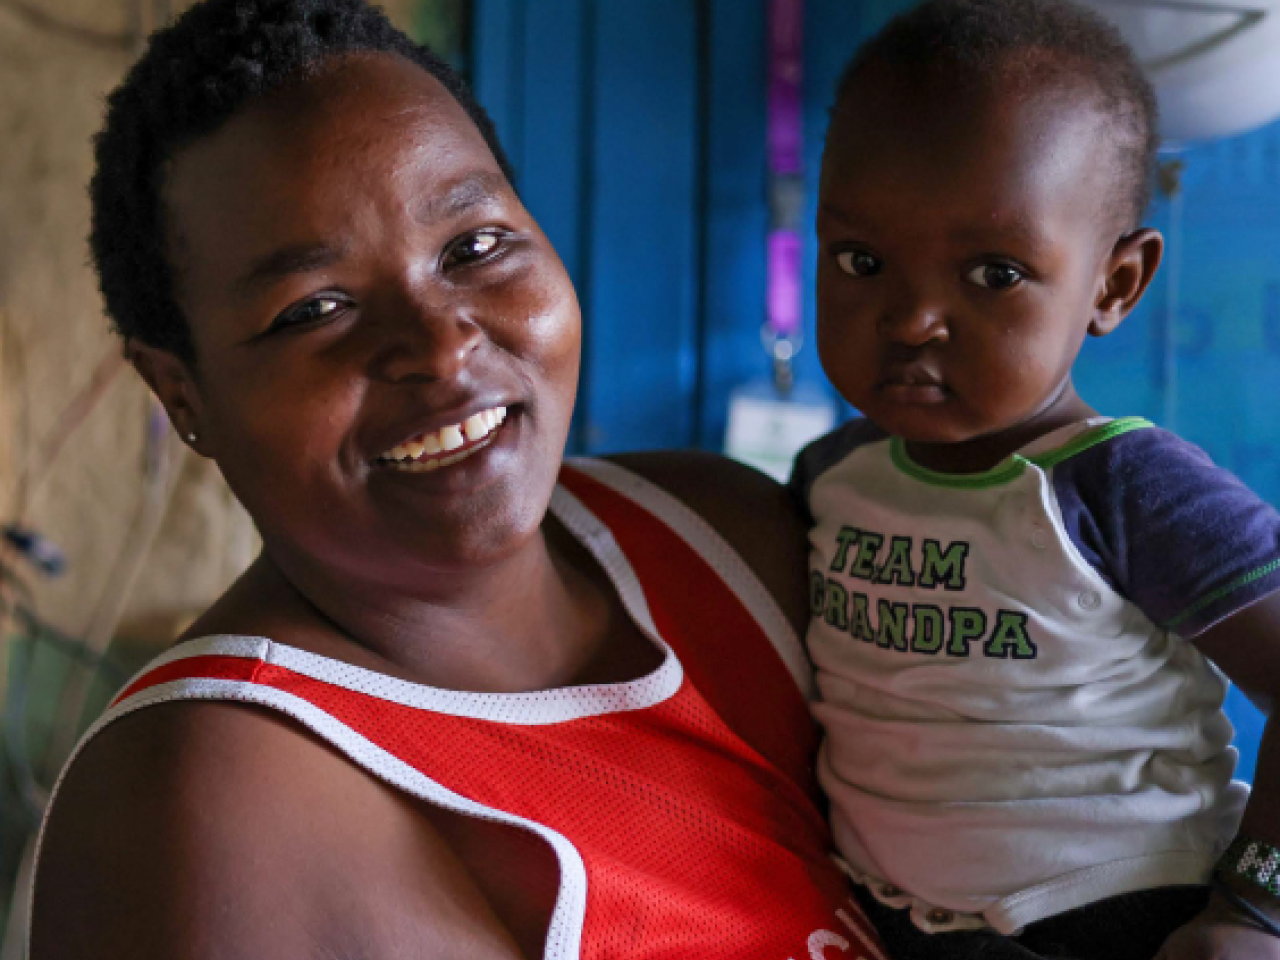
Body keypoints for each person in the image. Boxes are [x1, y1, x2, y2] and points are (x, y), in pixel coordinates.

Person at [26, 2, 889, 957]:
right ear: (182, 393)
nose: (441, 347)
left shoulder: (723, 531)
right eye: (315, 308)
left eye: (473, 247)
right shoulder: (213, 795)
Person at [789, 1, 1280, 958]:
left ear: (1115, 286)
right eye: (862, 260)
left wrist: (1257, 910)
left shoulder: (1129, 490)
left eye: (995, 274)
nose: (912, 318)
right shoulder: (831, 476)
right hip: (884, 924)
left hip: (1125, 916)